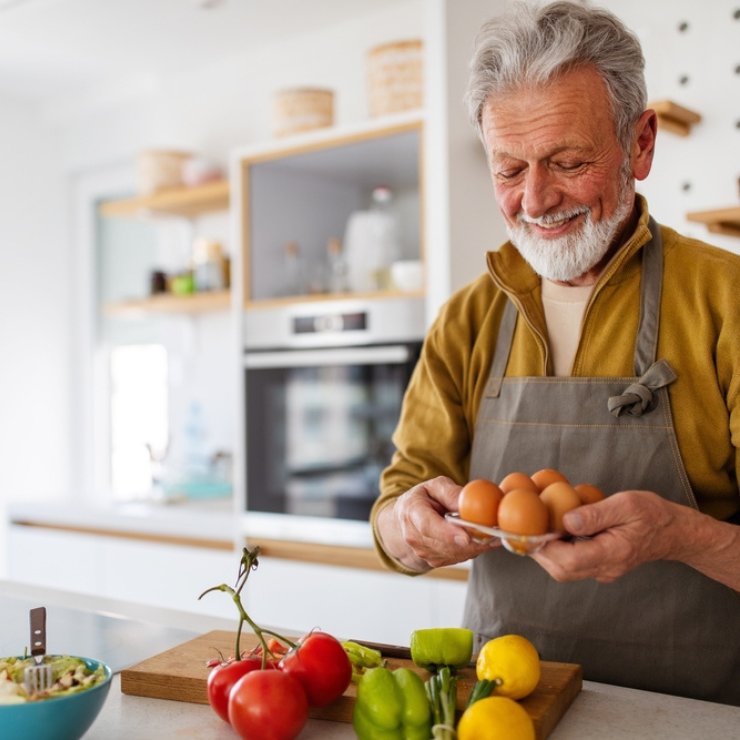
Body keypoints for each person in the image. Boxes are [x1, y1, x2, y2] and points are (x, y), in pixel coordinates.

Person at [371, 0, 740, 706]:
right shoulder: (467, 319)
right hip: (503, 714)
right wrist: (410, 527)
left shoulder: (727, 303)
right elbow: (394, 512)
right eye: (508, 169)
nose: (536, 199)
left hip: (698, 716)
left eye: (568, 161)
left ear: (641, 144)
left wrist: (679, 536)